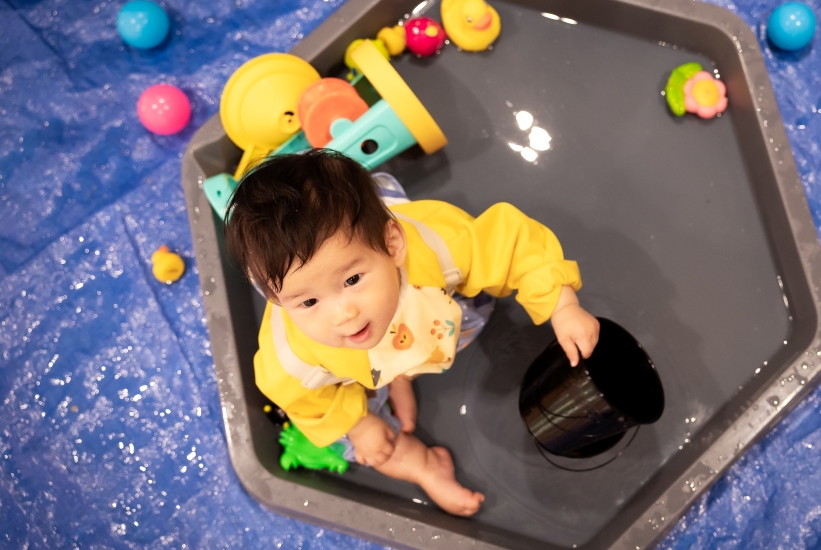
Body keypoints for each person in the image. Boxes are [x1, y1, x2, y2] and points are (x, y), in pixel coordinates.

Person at [224, 149, 600, 516]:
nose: (344, 314)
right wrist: (357, 423)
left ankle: (400, 372)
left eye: (353, 279)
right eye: (308, 303)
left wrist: (561, 304)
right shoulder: (292, 357)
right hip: (354, 371)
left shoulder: (438, 245)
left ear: (393, 245)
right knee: (365, 446)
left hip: (428, 306)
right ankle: (422, 466)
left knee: (475, 303)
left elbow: (512, 246)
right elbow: (304, 402)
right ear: (276, 299)